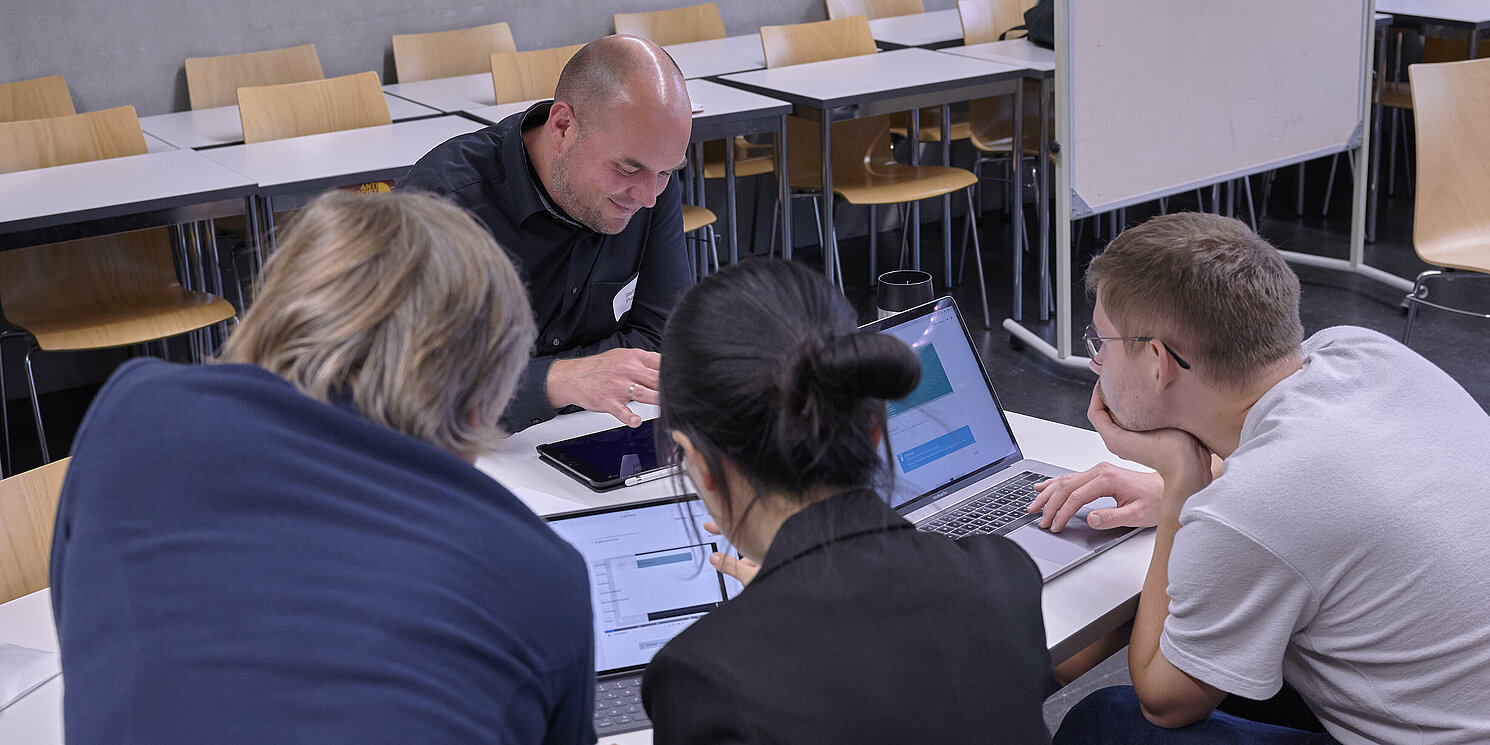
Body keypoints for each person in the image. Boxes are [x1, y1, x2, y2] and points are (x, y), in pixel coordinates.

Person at [50, 192, 596, 745]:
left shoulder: (134, 417)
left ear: (278, 310)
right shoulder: (541, 575)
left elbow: (93, 643)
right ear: (485, 389)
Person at [1033, 213, 1490, 744]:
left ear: (1159, 361)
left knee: (1106, 724)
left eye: (1102, 343)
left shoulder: (1251, 510)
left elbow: (1164, 702)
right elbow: (1309, 474)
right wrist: (1170, 491)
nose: (1097, 363)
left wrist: (1183, 481)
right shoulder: (1361, 351)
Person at [641, 259, 1052, 745]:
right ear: (875, 428)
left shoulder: (703, 674)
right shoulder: (1001, 574)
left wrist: (773, 606)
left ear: (699, 462)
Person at [398, 34, 694, 433]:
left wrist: (518, 382)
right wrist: (558, 380)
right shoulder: (443, 205)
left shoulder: (649, 182)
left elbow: (663, 343)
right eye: (626, 169)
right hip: (465, 454)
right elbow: (414, 384)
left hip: (593, 431)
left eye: (666, 173)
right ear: (563, 127)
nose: (647, 197)